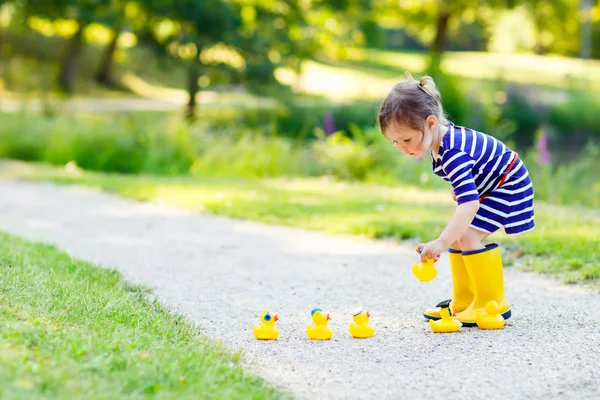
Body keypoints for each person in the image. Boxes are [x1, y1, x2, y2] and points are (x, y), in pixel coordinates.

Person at [377, 72, 535, 326]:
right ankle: (464, 300)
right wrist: (462, 189)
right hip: (495, 182)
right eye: (395, 142)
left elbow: (469, 203)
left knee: (467, 236)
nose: (403, 147)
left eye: (406, 139)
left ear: (430, 123)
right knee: (463, 238)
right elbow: (469, 180)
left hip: (509, 184)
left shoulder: (453, 151)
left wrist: (442, 241)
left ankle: (492, 302)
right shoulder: (441, 144)